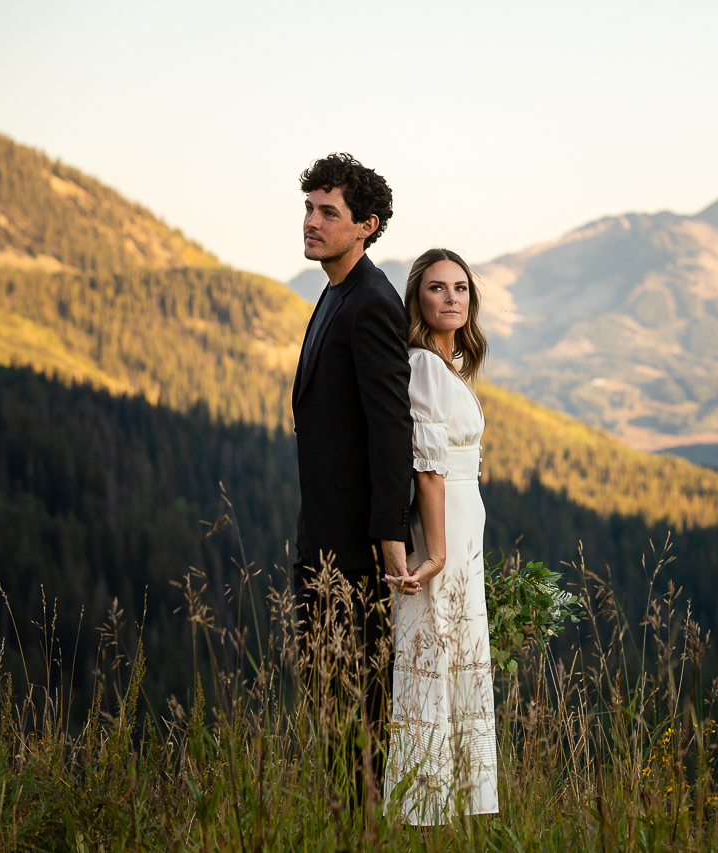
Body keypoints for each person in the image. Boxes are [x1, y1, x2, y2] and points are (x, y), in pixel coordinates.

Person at [291, 153, 412, 794]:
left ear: (365, 225)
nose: (311, 221)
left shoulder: (371, 304)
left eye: (327, 212)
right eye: (309, 208)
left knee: (358, 713)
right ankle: (348, 824)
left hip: (356, 550)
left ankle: (364, 828)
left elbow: (393, 429)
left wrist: (388, 537)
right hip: (322, 537)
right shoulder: (335, 292)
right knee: (331, 710)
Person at [383, 248, 498, 824]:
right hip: (442, 519)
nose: (451, 297)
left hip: (463, 515)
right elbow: (427, 465)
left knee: (454, 646)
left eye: (460, 287)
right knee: (434, 641)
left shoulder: (449, 366)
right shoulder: (424, 364)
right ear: (417, 299)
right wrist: (438, 549)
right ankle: (423, 805)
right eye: (437, 288)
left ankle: (448, 798)